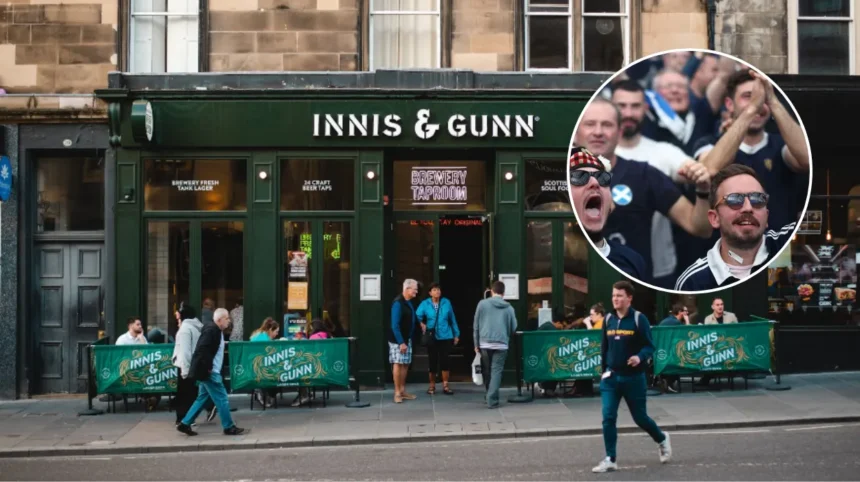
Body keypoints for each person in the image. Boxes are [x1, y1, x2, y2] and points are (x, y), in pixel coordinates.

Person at [574, 99, 713, 285]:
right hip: (577, 277)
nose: (598, 132)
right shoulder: (561, 174)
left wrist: (703, 191)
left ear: (620, 132)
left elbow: (700, 228)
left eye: (607, 125)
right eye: (590, 124)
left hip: (633, 284)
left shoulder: (644, 174)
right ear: (576, 132)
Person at [611, 80, 712, 288]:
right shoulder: (598, 155)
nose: (628, 113)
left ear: (646, 109)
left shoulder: (663, 152)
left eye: (635, 106)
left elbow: (703, 172)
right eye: (622, 106)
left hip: (660, 267)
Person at [695, 69, 810, 234]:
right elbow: (709, 170)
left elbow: (807, 159)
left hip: (777, 246)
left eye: (762, 98)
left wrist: (773, 102)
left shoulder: (780, 144)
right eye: (747, 96)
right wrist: (752, 109)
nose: (758, 103)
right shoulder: (708, 142)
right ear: (729, 104)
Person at [675, 164, 796, 291]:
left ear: (766, 215)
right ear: (714, 218)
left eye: (757, 199)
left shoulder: (791, 242)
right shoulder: (692, 283)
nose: (748, 208)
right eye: (734, 200)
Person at [592, 280, 671, 473]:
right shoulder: (608, 319)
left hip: (633, 378)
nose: (615, 299)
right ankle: (610, 459)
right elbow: (604, 347)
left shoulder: (638, 319)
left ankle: (661, 438)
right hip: (611, 378)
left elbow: (650, 346)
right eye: (613, 295)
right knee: (608, 417)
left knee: (640, 418)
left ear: (629, 298)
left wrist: (639, 357)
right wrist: (603, 372)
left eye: (619, 296)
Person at [568, 145, 647, 280]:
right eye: (579, 176)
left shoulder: (632, 261)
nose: (595, 183)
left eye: (602, 177)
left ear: (610, 203)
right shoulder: (550, 260)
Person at [176, 308, 245, 436]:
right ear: (219, 319)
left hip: (208, 371)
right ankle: (229, 426)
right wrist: (209, 368)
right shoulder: (212, 330)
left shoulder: (215, 330)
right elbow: (202, 350)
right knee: (222, 398)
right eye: (227, 318)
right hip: (211, 372)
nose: (229, 321)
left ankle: (185, 423)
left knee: (202, 398)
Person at [473, 280, 518, 409]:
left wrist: (476, 343)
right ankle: (492, 399)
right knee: (496, 371)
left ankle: (489, 396)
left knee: (487, 371)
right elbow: (513, 327)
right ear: (503, 293)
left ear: (492, 291)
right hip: (501, 344)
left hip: (485, 343)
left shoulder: (482, 304)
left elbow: (476, 325)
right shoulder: (509, 308)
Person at [417, 283, 461, 396]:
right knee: (432, 361)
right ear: (430, 293)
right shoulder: (425, 303)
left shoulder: (446, 302)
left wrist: (456, 334)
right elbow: (417, 315)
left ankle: (445, 385)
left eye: (438, 290)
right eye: (435, 290)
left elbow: (452, 319)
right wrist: (422, 323)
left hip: (446, 335)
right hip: (432, 336)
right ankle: (432, 385)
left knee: (445, 360)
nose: (437, 292)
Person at [172, 302, 203, 426]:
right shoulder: (196, 327)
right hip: (193, 364)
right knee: (192, 393)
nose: (177, 319)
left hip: (185, 365)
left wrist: (184, 371)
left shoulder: (185, 329)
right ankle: (190, 418)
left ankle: (182, 418)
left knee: (183, 394)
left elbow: (185, 351)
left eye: (178, 316)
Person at [389, 279, 419, 404]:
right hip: (398, 341)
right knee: (398, 363)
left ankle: (402, 390)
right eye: (415, 289)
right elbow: (394, 325)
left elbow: (412, 317)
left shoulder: (408, 302)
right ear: (407, 289)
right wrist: (401, 342)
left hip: (407, 339)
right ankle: (397, 393)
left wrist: (420, 323)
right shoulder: (398, 303)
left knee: (405, 364)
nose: (416, 292)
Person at [250, 317, 280, 407]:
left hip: (254, 365)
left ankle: (266, 393)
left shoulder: (259, 334)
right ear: (270, 330)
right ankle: (268, 395)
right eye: (276, 332)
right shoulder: (265, 338)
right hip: (260, 367)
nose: (277, 334)